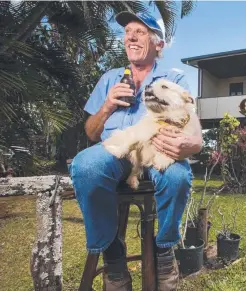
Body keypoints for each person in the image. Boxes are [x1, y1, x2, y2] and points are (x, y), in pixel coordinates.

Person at [69, 11, 202, 291]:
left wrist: (191, 144)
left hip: (158, 147)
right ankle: (113, 256)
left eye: (140, 32)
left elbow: (190, 122)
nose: (130, 36)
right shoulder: (110, 78)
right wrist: (107, 106)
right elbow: (91, 133)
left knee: (177, 178)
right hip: (114, 150)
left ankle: (164, 250)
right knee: (86, 167)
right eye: (128, 31)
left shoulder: (173, 77)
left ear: (158, 44)